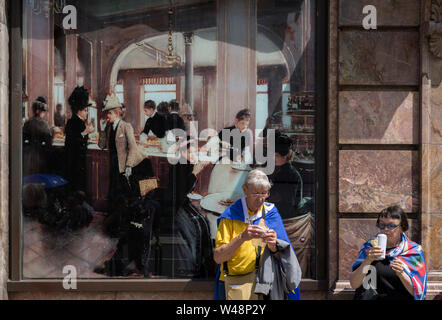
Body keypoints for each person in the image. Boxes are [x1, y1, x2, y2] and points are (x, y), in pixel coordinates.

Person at [213, 169, 301, 300]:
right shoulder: (230, 216)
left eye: (264, 193)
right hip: (238, 282)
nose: (260, 199)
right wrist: (242, 237)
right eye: (255, 194)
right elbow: (218, 257)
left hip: (266, 284)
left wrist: (274, 247)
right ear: (245, 190)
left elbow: (283, 257)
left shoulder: (271, 213)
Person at [350, 205, 427, 300]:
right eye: (382, 225)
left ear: (402, 227)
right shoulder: (369, 248)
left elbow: (419, 293)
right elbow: (354, 284)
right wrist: (368, 260)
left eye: (391, 226)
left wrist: (402, 274)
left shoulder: (413, 251)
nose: (385, 229)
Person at [267, 133, 313, 278]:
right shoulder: (277, 171)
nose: (272, 157)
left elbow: (288, 204)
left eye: (274, 154)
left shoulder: (289, 174)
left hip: (284, 221)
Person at [98, 93, 153, 204]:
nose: (107, 116)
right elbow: (102, 146)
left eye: (109, 113)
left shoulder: (126, 126)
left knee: (126, 194)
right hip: (114, 165)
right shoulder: (108, 128)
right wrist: (102, 131)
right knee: (114, 192)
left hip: (125, 167)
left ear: (117, 113)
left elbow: (133, 147)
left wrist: (129, 166)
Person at [64, 87, 94, 193]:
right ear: (79, 110)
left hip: (75, 161)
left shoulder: (74, 121)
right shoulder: (75, 122)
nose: (87, 113)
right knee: (76, 186)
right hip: (74, 161)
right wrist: (86, 132)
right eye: (85, 110)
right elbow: (74, 141)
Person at [22, 96, 54, 176]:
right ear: (38, 111)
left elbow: (22, 140)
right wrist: (52, 133)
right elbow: (49, 144)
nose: (44, 114)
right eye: (43, 112)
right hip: (40, 157)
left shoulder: (27, 123)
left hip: (27, 157)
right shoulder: (44, 124)